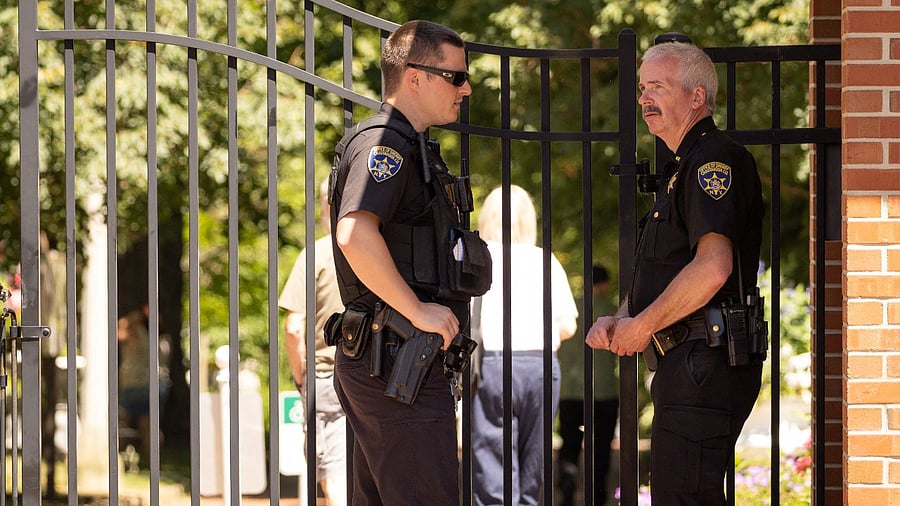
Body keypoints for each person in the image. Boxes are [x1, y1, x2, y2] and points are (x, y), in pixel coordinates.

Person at [585, 39, 766, 505]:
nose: (644, 98)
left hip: (705, 361)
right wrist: (624, 317)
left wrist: (642, 327)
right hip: (688, 363)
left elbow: (712, 268)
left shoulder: (713, 162)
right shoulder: (680, 167)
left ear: (696, 96)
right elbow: (667, 271)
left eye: (657, 87)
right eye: (642, 88)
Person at [328, 20, 490, 505]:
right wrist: (417, 312)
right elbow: (354, 233)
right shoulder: (386, 144)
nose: (466, 88)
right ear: (415, 77)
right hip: (396, 360)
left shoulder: (408, 146)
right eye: (456, 76)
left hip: (394, 361)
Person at [471, 185, 578, 506]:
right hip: (539, 365)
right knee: (534, 459)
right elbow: (568, 325)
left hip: (492, 363)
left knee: (491, 462)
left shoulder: (478, 258)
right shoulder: (543, 260)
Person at [278, 179, 347, 505]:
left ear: (325, 205)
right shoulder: (379, 250)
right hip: (375, 374)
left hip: (325, 377)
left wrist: (301, 377)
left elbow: (294, 328)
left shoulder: (316, 255)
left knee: (333, 473)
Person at [556, 264, 618, 506]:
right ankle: (597, 496)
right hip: (603, 392)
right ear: (604, 285)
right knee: (601, 449)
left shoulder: (571, 311)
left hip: (570, 391)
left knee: (569, 444)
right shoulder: (612, 312)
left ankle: (568, 492)